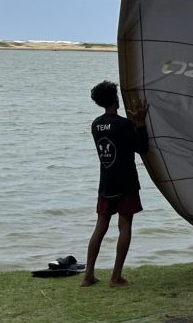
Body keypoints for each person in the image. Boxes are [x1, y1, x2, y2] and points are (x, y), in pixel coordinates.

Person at [82, 81, 149, 287]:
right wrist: (140, 123)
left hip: (106, 183)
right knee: (125, 225)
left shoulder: (95, 124)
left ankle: (88, 276)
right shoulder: (123, 124)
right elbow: (142, 148)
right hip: (126, 182)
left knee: (100, 227)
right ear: (115, 99)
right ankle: (116, 277)